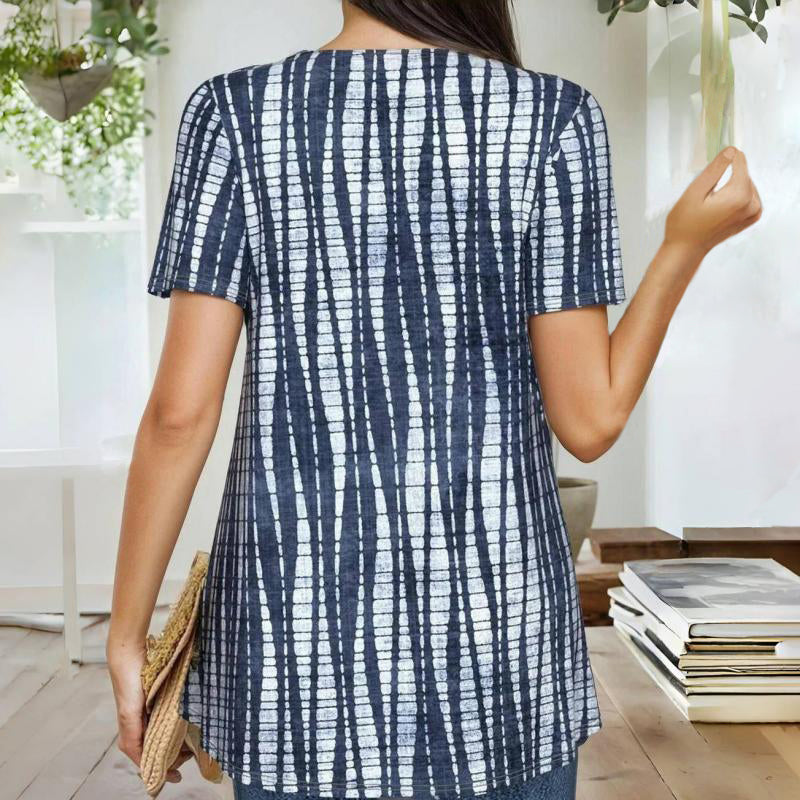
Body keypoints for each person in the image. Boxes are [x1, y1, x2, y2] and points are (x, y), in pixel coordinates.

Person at [106, 2, 762, 800]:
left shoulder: (235, 113)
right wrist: (683, 248)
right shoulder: (551, 118)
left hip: (294, 658)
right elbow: (590, 422)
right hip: (499, 657)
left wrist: (126, 635)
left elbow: (179, 416)